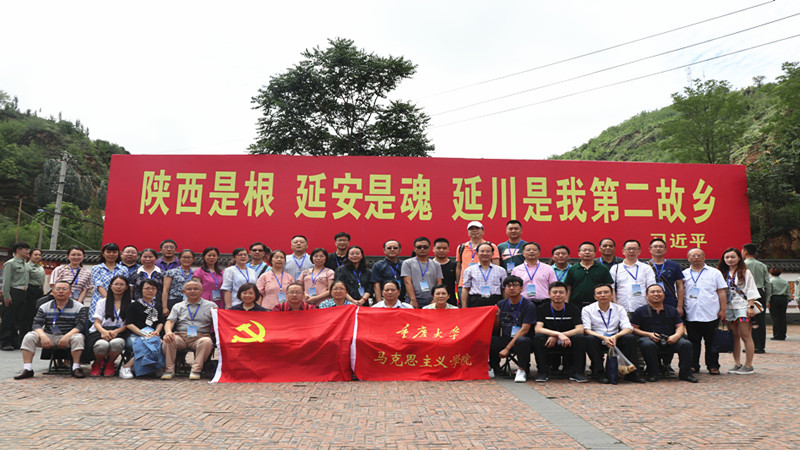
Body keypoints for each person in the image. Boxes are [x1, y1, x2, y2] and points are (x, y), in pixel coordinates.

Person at [15, 280, 87, 379]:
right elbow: (36, 324)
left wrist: (68, 336)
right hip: (49, 336)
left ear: (70, 292)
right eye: (58, 289)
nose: (60, 291)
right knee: (29, 336)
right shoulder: (44, 306)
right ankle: (28, 369)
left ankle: (76, 367)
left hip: (69, 336)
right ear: (52, 292)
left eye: (64, 289)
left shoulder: (79, 307)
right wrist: (43, 336)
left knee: (78, 338)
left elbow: (80, 325)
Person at [631, 284, 697, 383]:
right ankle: (653, 373)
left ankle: (686, 373)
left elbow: (680, 326)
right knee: (647, 344)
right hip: (650, 339)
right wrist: (649, 334)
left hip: (670, 339)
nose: (656, 294)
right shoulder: (640, 311)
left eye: (659, 291)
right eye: (652, 292)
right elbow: (634, 329)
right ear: (647, 296)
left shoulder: (672, 310)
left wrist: (676, 336)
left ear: (664, 295)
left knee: (685, 344)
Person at [582, 284, 644, 384]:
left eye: (606, 292)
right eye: (599, 293)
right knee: (589, 339)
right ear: (595, 296)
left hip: (615, 337)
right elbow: (587, 329)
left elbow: (628, 328)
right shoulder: (587, 309)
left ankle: (631, 373)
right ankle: (599, 372)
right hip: (598, 338)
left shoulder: (619, 308)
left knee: (630, 338)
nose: (603, 295)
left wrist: (615, 336)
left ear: (612, 295)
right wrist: (603, 338)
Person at [680, 248, 727, 375]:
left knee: (712, 341)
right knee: (693, 342)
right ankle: (693, 365)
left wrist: (723, 309)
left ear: (704, 257)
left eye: (699, 255)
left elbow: (721, 291)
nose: (696, 257)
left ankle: (713, 365)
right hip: (691, 312)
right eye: (693, 255)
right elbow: (681, 292)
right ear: (688, 258)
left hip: (711, 312)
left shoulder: (715, 272)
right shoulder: (683, 274)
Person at [532, 281, 588, 383]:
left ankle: (578, 372)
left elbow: (580, 329)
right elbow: (538, 329)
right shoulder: (542, 308)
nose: (558, 295)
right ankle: (542, 372)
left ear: (566, 294)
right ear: (549, 294)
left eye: (561, 292)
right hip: (549, 340)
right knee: (538, 337)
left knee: (580, 337)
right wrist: (557, 334)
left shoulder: (573, 309)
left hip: (568, 340)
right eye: (555, 292)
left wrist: (562, 335)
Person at [162, 280, 218, 380]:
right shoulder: (178, 306)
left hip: (201, 336)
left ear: (201, 290)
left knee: (206, 342)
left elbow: (219, 322)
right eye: (189, 289)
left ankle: (196, 370)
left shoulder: (211, 306)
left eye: (196, 289)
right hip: (181, 336)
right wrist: (168, 332)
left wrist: (215, 316)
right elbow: (169, 321)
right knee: (169, 339)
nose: (192, 291)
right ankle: (169, 370)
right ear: (184, 292)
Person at [718, 247, 760, 375]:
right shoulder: (721, 273)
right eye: (727, 257)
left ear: (739, 258)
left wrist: (750, 306)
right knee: (734, 336)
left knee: (746, 336)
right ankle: (737, 363)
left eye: (733, 257)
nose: (730, 260)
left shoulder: (745, 272)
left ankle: (748, 365)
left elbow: (751, 289)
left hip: (742, 306)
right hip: (729, 307)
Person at [489, 276, 535, 382]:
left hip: (523, 341)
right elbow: (497, 327)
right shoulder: (501, 304)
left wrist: (507, 348)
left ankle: (522, 370)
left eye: (515, 285)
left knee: (522, 340)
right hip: (506, 338)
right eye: (508, 286)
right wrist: (496, 317)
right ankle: (492, 367)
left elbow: (524, 330)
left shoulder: (529, 305)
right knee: (487, 339)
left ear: (521, 288)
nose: (511, 288)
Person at [87, 275, 131, 377]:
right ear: (111, 286)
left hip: (120, 332)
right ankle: (97, 363)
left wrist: (116, 332)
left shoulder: (131, 303)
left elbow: (129, 324)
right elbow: (97, 322)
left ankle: (110, 363)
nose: (118, 287)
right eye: (116, 284)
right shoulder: (102, 302)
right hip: (101, 331)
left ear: (126, 287)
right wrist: (104, 332)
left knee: (117, 343)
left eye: (122, 285)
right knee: (101, 345)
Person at [123, 278, 164, 379]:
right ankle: (126, 367)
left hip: (153, 335)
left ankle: (151, 366)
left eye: (153, 288)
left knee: (158, 342)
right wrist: (144, 334)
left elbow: (160, 322)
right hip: (135, 335)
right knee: (147, 344)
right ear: (141, 290)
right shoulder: (134, 305)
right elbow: (129, 324)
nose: (150, 291)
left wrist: (156, 332)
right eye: (147, 288)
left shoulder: (158, 306)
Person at [455, 221, 500, 300]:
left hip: (485, 283)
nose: (474, 231)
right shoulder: (461, 247)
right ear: (468, 232)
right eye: (471, 229)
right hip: (464, 284)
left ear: (483, 231)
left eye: (477, 228)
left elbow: (496, 266)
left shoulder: (491, 246)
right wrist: (459, 282)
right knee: (465, 306)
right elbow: (458, 267)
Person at [610, 239, 656, 314]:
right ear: (623, 251)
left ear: (639, 251)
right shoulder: (615, 268)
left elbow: (651, 287)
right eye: (629, 249)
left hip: (642, 308)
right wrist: (615, 304)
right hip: (621, 308)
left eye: (634, 249)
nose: (631, 251)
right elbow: (612, 288)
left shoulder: (646, 268)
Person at [564, 241, 613, 308]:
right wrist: (566, 303)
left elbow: (608, 287)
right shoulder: (573, 269)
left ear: (594, 253)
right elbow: (568, 288)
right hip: (576, 304)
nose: (587, 252)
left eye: (590, 250)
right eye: (584, 250)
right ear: (579, 253)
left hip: (597, 304)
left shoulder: (603, 268)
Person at [1, 242, 31, 351]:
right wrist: (6, 295)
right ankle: (5, 341)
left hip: (23, 292)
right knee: (8, 317)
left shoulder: (25, 264)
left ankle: (14, 341)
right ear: (18, 250)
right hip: (13, 291)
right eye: (25, 249)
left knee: (18, 318)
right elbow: (6, 281)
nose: (27, 252)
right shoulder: (10, 263)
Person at [742, 243, 771, 354]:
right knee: (760, 321)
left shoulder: (742, 265)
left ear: (745, 252)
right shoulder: (762, 265)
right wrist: (768, 298)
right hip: (760, 293)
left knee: (748, 321)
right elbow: (767, 283)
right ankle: (760, 346)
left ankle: (750, 345)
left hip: (746, 294)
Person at [511, 242, 557, 306]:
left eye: (534, 250)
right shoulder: (516, 270)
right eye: (528, 250)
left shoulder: (548, 268)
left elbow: (553, 286)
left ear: (539, 253)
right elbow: (513, 287)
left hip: (544, 303)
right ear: (523, 253)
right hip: (523, 303)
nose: (531, 252)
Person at [461, 243, 507, 308]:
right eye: (482, 251)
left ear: (492, 254)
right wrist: (464, 307)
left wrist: (506, 306)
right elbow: (465, 289)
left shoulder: (501, 270)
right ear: (477, 253)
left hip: (495, 301)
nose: (485, 254)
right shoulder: (469, 270)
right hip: (476, 301)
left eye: (488, 251)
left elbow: (504, 289)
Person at [401, 237, 442, 308]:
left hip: (431, 299)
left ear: (429, 248)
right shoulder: (407, 263)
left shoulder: (436, 264)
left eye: (425, 247)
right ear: (414, 249)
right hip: (413, 298)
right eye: (419, 247)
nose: (422, 249)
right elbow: (407, 282)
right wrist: (413, 299)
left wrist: (435, 299)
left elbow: (439, 282)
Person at [89, 242, 127, 320]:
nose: (111, 254)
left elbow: (124, 286)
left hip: (119, 302)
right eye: (108, 252)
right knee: (98, 323)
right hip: (99, 300)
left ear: (118, 254)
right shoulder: (97, 268)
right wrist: (110, 301)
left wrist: (116, 302)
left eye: (114, 252)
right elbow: (99, 286)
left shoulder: (123, 269)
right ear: (103, 254)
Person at [646, 238, 685, 309]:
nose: (658, 249)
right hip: (649, 303)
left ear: (665, 249)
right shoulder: (644, 266)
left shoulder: (674, 265)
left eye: (661, 247)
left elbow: (680, 286)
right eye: (655, 246)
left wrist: (680, 306)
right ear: (650, 249)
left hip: (670, 302)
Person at [162, 249, 196, 315]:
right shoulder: (171, 272)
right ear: (179, 259)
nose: (186, 259)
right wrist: (164, 307)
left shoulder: (195, 273)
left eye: (189, 257)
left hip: (190, 301)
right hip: (174, 301)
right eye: (184, 257)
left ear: (193, 259)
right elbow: (165, 290)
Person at [23, 248, 46, 337]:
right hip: (30, 290)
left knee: (38, 312)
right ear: (29, 255)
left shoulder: (40, 266)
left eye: (39, 255)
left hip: (39, 290)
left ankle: (36, 333)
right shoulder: (27, 266)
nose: (38, 256)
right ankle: (27, 334)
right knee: (29, 313)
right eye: (35, 255)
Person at [433, 238, 458, 306]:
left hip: (451, 301)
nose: (441, 250)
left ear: (448, 249)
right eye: (438, 248)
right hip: (432, 301)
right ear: (433, 249)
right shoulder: (429, 265)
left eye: (444, 248)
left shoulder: (454, 265)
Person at [769, 267, 790, 341]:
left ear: (771, 273)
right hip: (783, 298)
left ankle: (777, 335)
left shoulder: (771, 281)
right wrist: (788, 299)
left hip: (774, 298)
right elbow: (788, 292)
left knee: (775, 317)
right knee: (783, 317)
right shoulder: (784, 281)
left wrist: (768, 301)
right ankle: (783, 335)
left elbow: (770, 292)